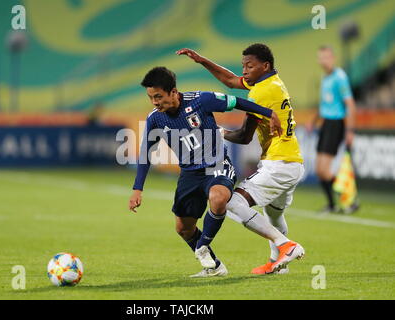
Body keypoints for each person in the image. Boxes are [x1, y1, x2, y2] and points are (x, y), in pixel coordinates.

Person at [129, 66, 287, 277]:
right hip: (189, 174)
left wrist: (270, 113)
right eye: (151, 98)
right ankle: (214, 267)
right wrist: (137, 189)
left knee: (218, 197)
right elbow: (145, 153)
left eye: (158, 97)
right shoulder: (155, 119)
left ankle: (203, 246)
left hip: (217, 165)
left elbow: (237, 102)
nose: (155, 102)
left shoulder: (201, 100)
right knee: (184, 229)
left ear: (173, 92)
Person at [177, 43, 305, 275]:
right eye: (243, 65)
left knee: (233, 203)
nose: (244, 70)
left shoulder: (261, 92)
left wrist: (220, 132)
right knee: (274, 214)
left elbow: (245, 137)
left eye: (250, 66)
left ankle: (287, 245)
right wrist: (202, 60)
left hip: (278, 163)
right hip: (292, 161)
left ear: (265, 66)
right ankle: (278, 264)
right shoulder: (271, 82)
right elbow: (231, 80)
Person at [306, 46, 358, 213]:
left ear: (333, 58)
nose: (324, 61)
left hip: (336, 124)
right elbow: (324, 105)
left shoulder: (340, 77)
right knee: (319, 170)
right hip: (325, 123)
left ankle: (350, 198)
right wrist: (313, 121)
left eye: (327, 57)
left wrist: (350, 130)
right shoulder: (324, 78)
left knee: (324, 169)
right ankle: (332, 205)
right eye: (321, 57)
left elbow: (350, 104)